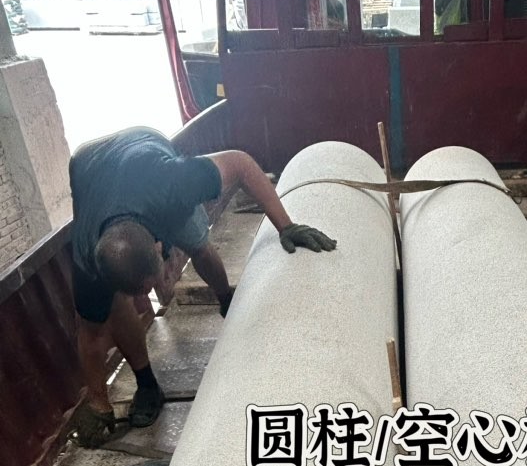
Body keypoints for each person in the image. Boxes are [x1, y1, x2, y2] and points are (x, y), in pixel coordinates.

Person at [70, 126, 336, 448]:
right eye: (141, 292)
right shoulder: (88, 258)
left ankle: (225, 298)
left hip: (141, 152)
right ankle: (147, 384)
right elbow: (91, 335)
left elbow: (240, 163)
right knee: (109, 308)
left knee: (198, 242)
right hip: (88, 167)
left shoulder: (175, 185)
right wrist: (98, 402)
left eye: (154, 282)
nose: (155, 289)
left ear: (159, 246)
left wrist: (287, 226)